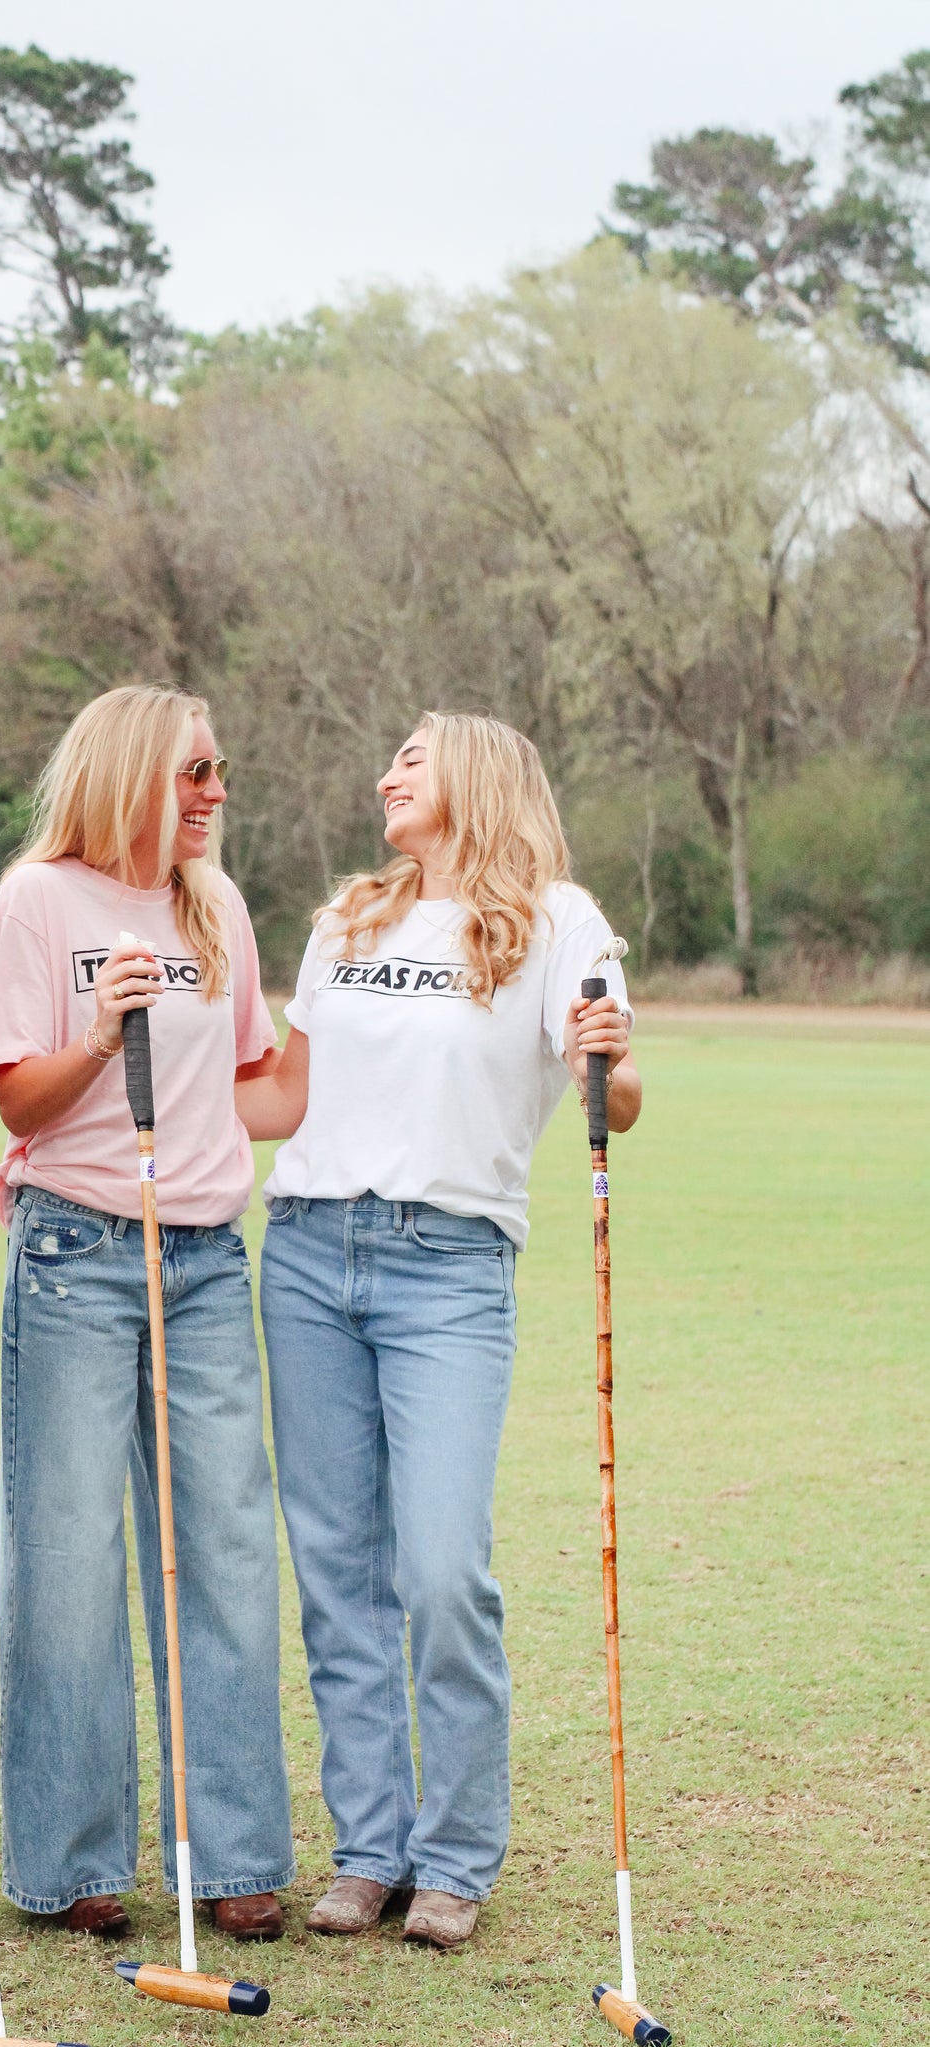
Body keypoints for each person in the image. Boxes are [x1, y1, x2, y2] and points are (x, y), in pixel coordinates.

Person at [237, 710, 639, 1950]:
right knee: (338, 1574)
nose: (384, 778)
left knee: (441, 1568)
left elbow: (613, 1095)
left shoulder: (557, 918)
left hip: (450, 1264)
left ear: (471, 774)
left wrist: (607, 1059)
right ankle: (369, 1849)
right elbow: (285, 1094)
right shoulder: (344, 918)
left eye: (407, 761)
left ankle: (455, 1854)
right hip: (305, 1251)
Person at [0, 684, 294, 1941]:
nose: (216, 789)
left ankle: (234, 1857)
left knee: (221, 1549)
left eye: (220, 767)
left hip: (208, 1258)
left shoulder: (214, 904)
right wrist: (105, 1033)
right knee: (66, 1555)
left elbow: (259, 1083)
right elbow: (17, 1103)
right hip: (75, 1251)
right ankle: (72, 1858)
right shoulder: (35, 902)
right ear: (127, 775)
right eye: (194, 770)